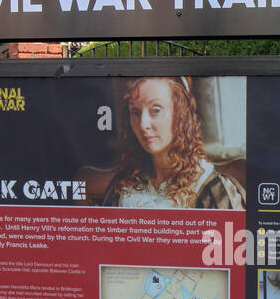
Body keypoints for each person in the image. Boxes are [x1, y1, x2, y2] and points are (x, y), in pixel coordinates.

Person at [87, 77, 245, 209]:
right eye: (135, 112)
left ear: (180, 114)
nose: (143, 124)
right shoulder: (124, 186)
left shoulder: (212, 188)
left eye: (155, 110)